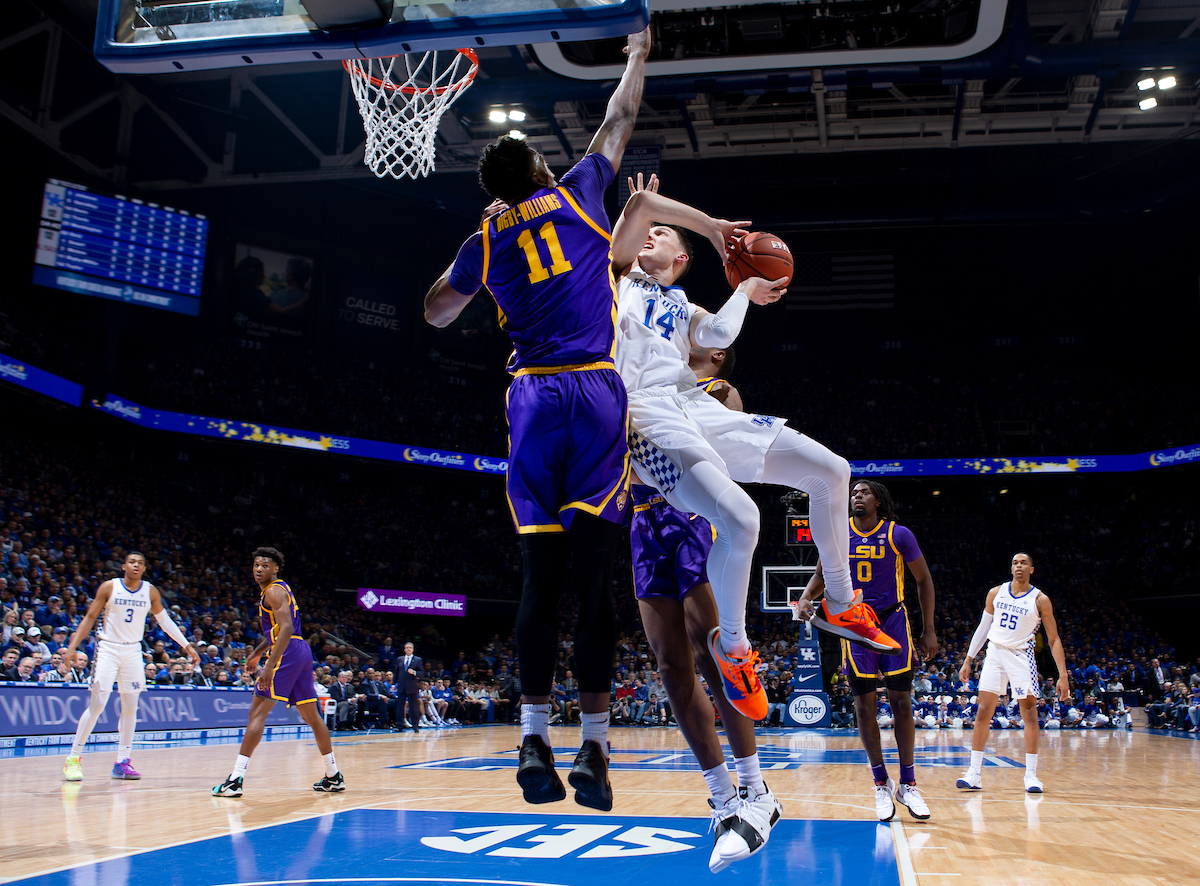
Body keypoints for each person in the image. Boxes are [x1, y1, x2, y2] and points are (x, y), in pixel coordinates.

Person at [422, 27, 652, 812]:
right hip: (593, 392)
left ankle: (531, 738)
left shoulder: (485, 239)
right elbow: (618, 121)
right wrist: (636, 56)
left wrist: (481, 244)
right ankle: (594, 749)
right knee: (594, 583)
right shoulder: (581, 190)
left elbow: (436, 312)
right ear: (543, 171)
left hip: (531, 400)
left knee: (538, 580)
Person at [605, 177, 900, 727]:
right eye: (648, 231)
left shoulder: (680, 302)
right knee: (742, 517)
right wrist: (712, 228)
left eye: (662, 234)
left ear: (681, 259)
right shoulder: (616, 275)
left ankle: (840, 602)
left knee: (832, 471)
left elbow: (718, 334)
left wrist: (744, 290)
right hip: (644, 415)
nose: (649, 234)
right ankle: (735, 649)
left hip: (692, 404)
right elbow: (640, 204)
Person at [629, 342, 782, 872]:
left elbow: (724, 458)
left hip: (693, 517)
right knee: (670, 665)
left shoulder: (719, 391)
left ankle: (756, 789)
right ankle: (722, 798)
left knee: (711, 651)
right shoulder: (633, 380)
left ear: (716, 355)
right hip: (643, 521)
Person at [796, 480, 937, 822]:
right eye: (854, 493)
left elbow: (924, 580)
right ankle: (880, 783)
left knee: (902, 702)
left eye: (864, 493)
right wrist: (805, 597)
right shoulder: (838, 534)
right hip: (855, 624)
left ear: (878, 501)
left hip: (892, 620)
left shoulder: (898, 534)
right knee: (864, 708)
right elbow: (821, 576)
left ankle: (908, 783)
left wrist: (929, 628)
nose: (857, 496)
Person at [212, 547, 344, 796]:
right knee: (312, 716)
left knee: (257, 712)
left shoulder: (272, 591)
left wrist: (269, 666)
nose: (259, 569)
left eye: (265, 565)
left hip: (288, 651)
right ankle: (333, 775)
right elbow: (278, 631)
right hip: (300, 650)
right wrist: (256, 653)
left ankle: (235, 780)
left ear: (275, 568)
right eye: (256, 565)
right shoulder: (279, 589)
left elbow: (285, 629)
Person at [59, 551, 199, 781]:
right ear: (124, 566)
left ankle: (122, 762)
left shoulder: (150, 591)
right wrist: (72, 646)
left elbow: (165, 622)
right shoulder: (109, 587)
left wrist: (186, 646)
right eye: (132, 562)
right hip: (108, 648)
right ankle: (73, 758)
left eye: (140, 563)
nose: (136, 565)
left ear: (144, 568)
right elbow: (90, 617)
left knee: (131, 707)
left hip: (133, 651)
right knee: (98, 703)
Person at [955, 553, 1070, 793]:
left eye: (1023, 563)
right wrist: (968, 659)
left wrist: (1063, 675)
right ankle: (974, 773)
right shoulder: (996, 593)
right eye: (1015, 563)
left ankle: (1031, 775)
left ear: (1031, 569)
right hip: (995, 652)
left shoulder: (1040, 600)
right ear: (1011, 568)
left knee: (1029, 713)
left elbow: (1053, 639)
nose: (1019, 566)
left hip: (1021, 656)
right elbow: (983, 627)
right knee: (983, 711)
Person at [397, 641, 423, 732]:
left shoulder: (418, 660)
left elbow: (422, 672)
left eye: (410, 648)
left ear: (413, 650)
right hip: (401, 685)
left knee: (414, 706)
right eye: (407, 648)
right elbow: (396, 671)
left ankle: (415, 725)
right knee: (400, 706)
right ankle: (399, 725)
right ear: (404, 649)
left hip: (412, 686)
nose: (408, 649)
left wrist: (415, 672)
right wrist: (394, 684)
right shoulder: (400, 659)